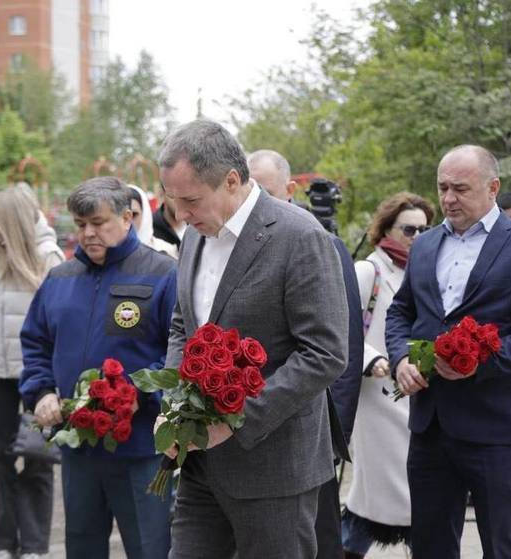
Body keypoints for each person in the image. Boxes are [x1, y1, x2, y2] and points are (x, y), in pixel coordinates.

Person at [159, 120, 349, 559]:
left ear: (231, 180)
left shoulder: (299, 237)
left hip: (274, 468)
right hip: (200, 463)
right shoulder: (194, 236)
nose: (182, 214)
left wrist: (235, 420)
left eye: (190, 200)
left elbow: (324, 353)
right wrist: (173, 403)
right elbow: (182, 324)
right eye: (174, 201)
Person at [386, 145, 511, 558]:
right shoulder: (425, 245)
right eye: (443, 187)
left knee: (503, 546)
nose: (448, 199)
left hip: (497, 425)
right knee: (429, 545)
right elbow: (401, 311)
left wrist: (484, 361)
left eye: (460, 189)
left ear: (492, 187)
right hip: (430, 425)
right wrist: (401, 359)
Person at [19, 177, 177, 559]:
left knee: (150, 548)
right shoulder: (59, 280)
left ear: (128, 217)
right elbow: (35, 343)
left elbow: (180, 352)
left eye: (98, 223)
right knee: (83, 547)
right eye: (80, 224)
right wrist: (41, 392)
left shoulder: (162, 273)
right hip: (80, 451)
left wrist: (143, 394)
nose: (88, 233)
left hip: (142, 449)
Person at [248, 148, 364, 559]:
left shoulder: (320, 242)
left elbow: (343, 350)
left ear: (290, 189)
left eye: (264, 190)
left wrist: (339, 433)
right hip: (258, 431)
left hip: (312, 429)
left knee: (319, 537)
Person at [0, 187, 64, 559]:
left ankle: (35, 547)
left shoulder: (48, 258)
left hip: (37, 381)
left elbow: (59, 322)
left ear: (13, 223)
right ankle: (3, 543)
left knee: (37, 460)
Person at [342, 192, 435, 559]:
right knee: (377, 492)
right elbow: (343, 324)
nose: (416, 237)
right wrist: (371, 358)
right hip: (375, 399)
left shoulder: (423, 268)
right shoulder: (370, 269)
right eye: (409, 229)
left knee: (412, 492)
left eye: (424, 230)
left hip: (414, 394)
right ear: (387, 228)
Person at [128, 185, 179, 258]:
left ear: (145, 214)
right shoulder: (109, 254)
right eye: (122, 217)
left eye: (133, 215)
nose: (127, 222)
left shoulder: (165, 250)